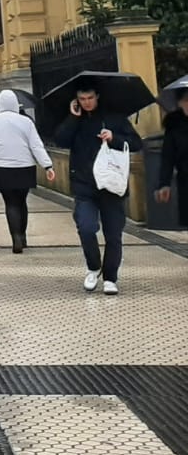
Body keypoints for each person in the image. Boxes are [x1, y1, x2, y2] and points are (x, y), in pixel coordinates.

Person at [54, 79, 142, 295]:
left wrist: (114, 138)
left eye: (90, 98)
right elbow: (60, 141)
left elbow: (137, 143)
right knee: (86, 227)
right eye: (82, 99)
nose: (86, 103)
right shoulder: (75, 119)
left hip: (111, 185)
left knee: (113, 234)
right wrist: (72, 118)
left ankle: (111, 278)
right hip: (84, 185)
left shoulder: (114, 117)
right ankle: (93, 267)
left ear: (98, 96)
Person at [0, 89, 55, 253]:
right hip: (25, 167)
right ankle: (23, 236)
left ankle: (15, 237)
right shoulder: (26, 122)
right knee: (22, 201)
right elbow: (36, 145)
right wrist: (47, 165)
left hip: (2, 168)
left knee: (10, 202)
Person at [157, 86, 188, 226]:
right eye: (187, 100)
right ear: (180, 103)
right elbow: (167, 157)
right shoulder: (174, 125)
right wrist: (164, 184)